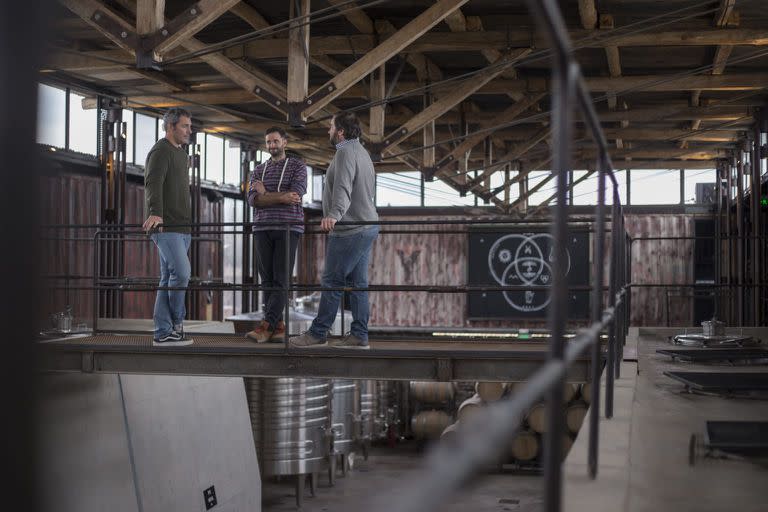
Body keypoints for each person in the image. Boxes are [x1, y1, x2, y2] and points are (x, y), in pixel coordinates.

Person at [290, 112, 379, 349]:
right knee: (358, 283)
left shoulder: (345, 152)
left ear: (340, 131)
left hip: (350, 228)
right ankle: (359, 334)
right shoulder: (362, 152)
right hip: (367, 225)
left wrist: (334, 215)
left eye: (330, 127)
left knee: (331, 281)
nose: (328, 131)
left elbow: (343, 186)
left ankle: (318, 333)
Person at [245, 127, 307, 342]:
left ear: (285, 142)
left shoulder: (298, 166)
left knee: (281, 279)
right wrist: (280, 197)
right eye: (268, 142)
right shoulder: (258, 170)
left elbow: (295, 195)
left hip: (288, 227)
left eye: (275, 141)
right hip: (262, 227)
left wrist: (266, 195)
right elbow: (253, 200)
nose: (272, 145)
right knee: (267, 280)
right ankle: (278, 327)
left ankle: (265, 326)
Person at [143, 108, 194, 346]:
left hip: (183, 227)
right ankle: (176, 323)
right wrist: (155, 213)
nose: (188, 131)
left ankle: (163, 332)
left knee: (168, 278)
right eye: (184, 126)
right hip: (166, 226)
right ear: (170, 127)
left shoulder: (182, 155)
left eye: (189, 126)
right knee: (182, 274)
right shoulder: (160, 150)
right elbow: (153, 182)